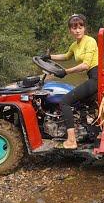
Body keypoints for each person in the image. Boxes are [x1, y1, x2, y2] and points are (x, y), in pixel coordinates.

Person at [41, 13, 98, 149]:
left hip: (96, 78)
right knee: (78, 103)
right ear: (70, 30)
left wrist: (65, 72)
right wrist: (48, 57)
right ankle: (87, 132)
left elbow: (85, 65)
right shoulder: (75, 45)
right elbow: (66, 56)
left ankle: (71, 140)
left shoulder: (90, 41)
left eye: (80, 27)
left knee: (64, 102)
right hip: (92, 78)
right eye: (74, 27)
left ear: (85, 28)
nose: (77, 30)